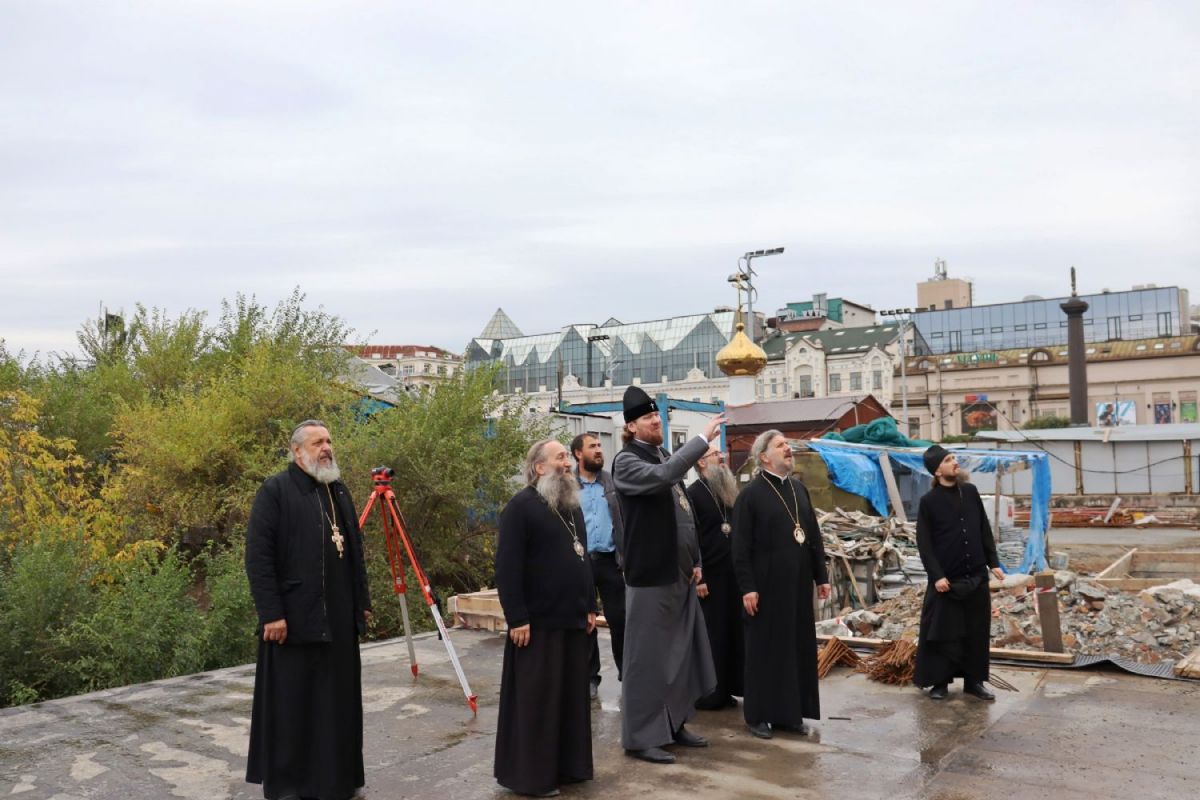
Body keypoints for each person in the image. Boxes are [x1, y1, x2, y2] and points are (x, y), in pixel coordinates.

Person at [245, 420, 373, 800]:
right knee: (293, 706)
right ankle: (290, 786)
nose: (327, 448)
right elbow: (258, 557)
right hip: (294, 621)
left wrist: (361, 603)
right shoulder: (276, 491)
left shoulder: (338, 490)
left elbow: (355, 551)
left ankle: (335, 782)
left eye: (329, 440)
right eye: (318, 442)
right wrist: (271, 613)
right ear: (297, 451)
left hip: (339, 621)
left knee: (336, 705)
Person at [612, 386, 724, 764]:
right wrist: (700, 441)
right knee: (647, 661)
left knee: (678, 656)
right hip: (650, 574)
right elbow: (664, 477)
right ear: (631, 426)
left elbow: (683, 511)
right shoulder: (626, 462)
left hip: (679, 572)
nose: (656, 421)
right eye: (648, 418)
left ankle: (674, 723)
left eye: (657, 416)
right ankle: (640, 737)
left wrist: (696, 559)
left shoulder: (661, 454)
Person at [494, 439, 598, 797]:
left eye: (567, 457)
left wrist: (590, 605)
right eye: (560, 457)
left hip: (572, 619)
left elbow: (584, 559)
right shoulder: (520, 508)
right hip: (537, 624)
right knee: (538, 704)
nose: (568, 463)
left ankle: (568, 768)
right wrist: (517, 617)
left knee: (570, 701)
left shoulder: (571, 505)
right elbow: (507, 568)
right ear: (539, 467)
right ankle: (532, 778)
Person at [732, 429, 830, 740]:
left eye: (787, 444)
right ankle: (758, 715)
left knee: (794, 648)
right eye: (780, 445)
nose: (788, 449)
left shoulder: (799, 489)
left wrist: (821, 576)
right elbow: (740, 547)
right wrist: (748, 587)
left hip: (798, 586)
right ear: (764, 457)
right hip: (765, 588)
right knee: (765, 651)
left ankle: (789, 714)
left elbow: (812, 537)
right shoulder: (750, 495)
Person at [913, 445, 1005, 701]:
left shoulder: (970, 492)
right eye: (948, 459)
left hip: (975, 576)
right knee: (944, 632)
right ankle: (940, 682)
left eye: (953, 457)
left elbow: (983, 528)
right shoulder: (928, 502)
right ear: (937, 470)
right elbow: (924, 544)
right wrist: (936, 576)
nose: (955, 462)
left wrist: (993, 562)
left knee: (976, 632)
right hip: (947, 581)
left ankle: (974, 683)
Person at [687, 444, 744, 711]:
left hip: (732, 574)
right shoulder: (693, 494)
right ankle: (710, 693)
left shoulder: (727, 491)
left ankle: (728, 688)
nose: (722, 457)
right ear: (701, 462)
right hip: (709, 576)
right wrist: (700, 579)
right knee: (713, 636)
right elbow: (692, 538)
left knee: (732, 632)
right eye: (715, 455)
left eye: (721, 454)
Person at [571, 432, 626, 701]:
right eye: (592, 446)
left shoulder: (611, 483)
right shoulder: (568, 485)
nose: (598, 450)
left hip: (609, 561)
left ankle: (627, 674)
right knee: (586, 622)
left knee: (621, 620)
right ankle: (590, 678)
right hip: (579, 563)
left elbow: (624, 519)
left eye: (599, 445)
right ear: (578, 454)